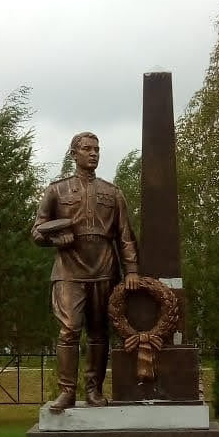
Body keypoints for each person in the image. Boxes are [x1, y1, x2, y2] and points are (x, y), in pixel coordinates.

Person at [32, 131, 139, 410]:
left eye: (97, 149)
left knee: (99, 332)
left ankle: (94, 390)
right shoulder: (56, 190)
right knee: (68, 330)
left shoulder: (113, 192)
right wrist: (57, 239)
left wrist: (132, 271)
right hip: (68, 270)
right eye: (87, 149)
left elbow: (125, 236)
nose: (93, 153)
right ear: (74, 154)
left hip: (104, 269)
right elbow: (37, 232)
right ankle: (67, 391)